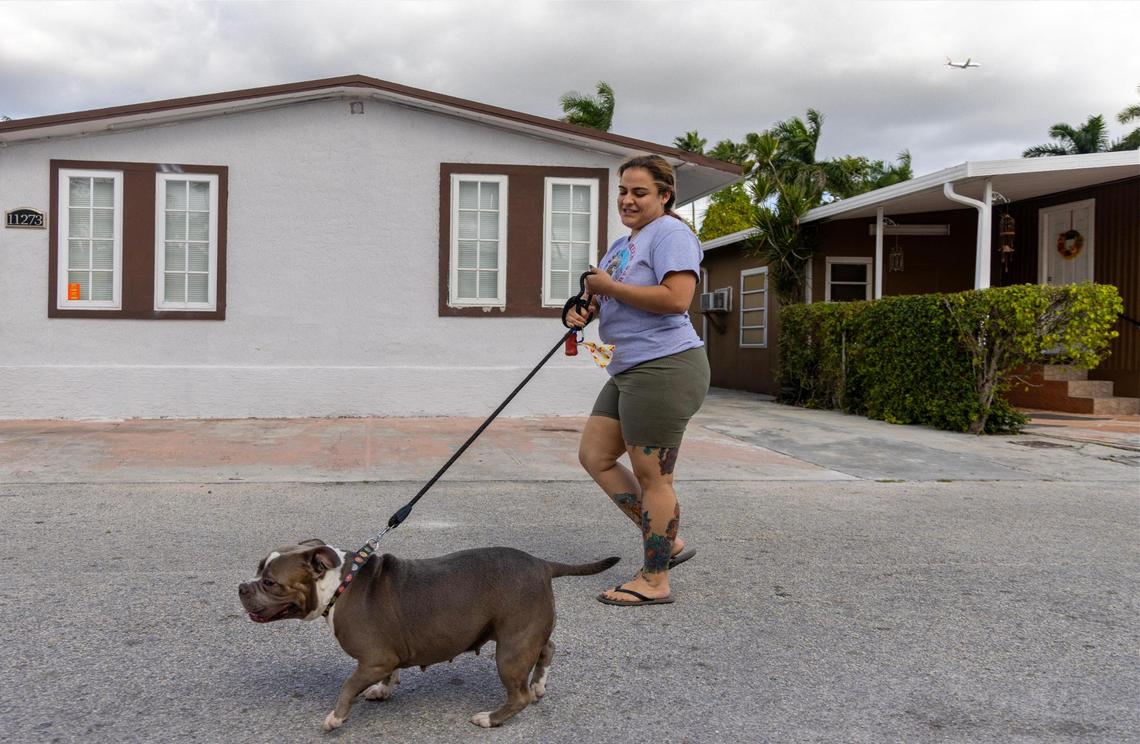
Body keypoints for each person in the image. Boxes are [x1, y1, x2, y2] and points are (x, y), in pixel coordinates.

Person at [565, 154, 710, 606]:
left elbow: (676, 299)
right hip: (628, 367)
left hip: (664, 366)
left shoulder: (671, 234)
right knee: (595, 455)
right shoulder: (622, 244)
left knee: (654, 479)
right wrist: (581, 309)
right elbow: (602, 297)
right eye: (623, 191)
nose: (628, 200)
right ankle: (666, 540)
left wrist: (608, 289)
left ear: (664, 196)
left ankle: (654, 579)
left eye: (640, 192)